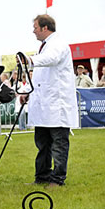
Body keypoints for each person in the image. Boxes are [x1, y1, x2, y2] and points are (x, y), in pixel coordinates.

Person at [19, 14, 78, 188]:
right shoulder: (43, 47)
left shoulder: (58, 44)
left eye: (35, 27)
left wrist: (30, 60)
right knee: (42, 144)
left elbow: (51, 59)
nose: (33, 31)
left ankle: (58, 179)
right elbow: (41, 76)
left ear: (45, 28)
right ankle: (42, 176)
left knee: (58, 144)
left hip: (57, 105)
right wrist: (29, 92)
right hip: (44, 104)